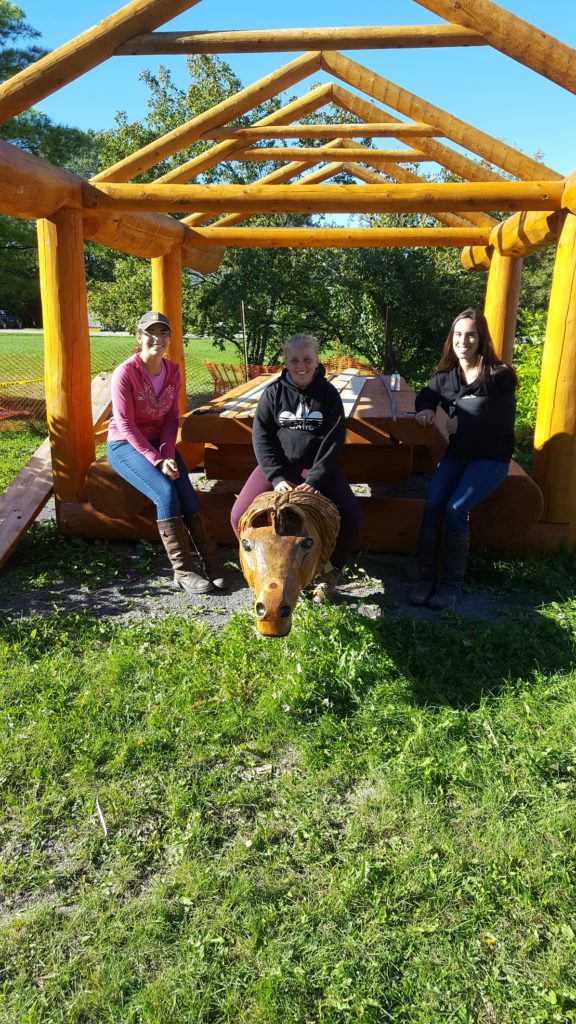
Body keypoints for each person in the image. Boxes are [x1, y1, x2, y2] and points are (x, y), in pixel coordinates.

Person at [230, 333, 362, 601]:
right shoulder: (273, 393)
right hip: (280, 467)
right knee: (237, 515)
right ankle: (263, 567)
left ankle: (329, 571)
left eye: (307, 359)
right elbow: (261, 436)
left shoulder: (328, 395)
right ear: (285, 361)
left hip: (315, 469)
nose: (301, 365)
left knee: (352, 515)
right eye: (294, 359)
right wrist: (275, 475)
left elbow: (334, 439)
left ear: (317, 360)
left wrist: (315, 479)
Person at [107, 311, 225, 594]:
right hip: (125, 444)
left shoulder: (172, 371)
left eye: (163, 334)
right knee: (166, 493)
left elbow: (172, 418)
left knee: (186, 491)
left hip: (160, 443)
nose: (157, 339)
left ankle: (211, 562)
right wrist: (157, 460)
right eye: (151, 333)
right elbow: (125, 423)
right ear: (139, 337)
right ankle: (183, 572)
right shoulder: (126, 373)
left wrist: (168, 454)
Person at [411, 308, 517, 610]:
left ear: (481, 338)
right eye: (458, 334)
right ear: (451, 339)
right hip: (458, 454)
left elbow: (502, 421)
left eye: (470, 334)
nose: (463, 340)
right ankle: (425, 579)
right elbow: (426, 396)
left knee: (455, 508)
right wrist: (427, 410)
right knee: (432, 505)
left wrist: (462, 425)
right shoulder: (446, 377)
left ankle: (451, 584)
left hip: (491, 457)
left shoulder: (499, 376)